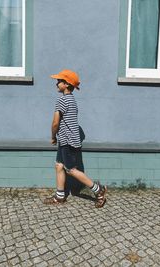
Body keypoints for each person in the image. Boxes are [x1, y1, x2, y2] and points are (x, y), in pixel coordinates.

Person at [43, 69, 107, 208]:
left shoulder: (62, 100)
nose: (56, 83)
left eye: (59, 81)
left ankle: (98, 190)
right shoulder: (72, 100)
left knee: (71, 170)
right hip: (67, 140)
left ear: (66, 84)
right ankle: (60, 196)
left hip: (67, 141)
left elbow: (55, 123)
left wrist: (53, 137)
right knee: (59, 165)